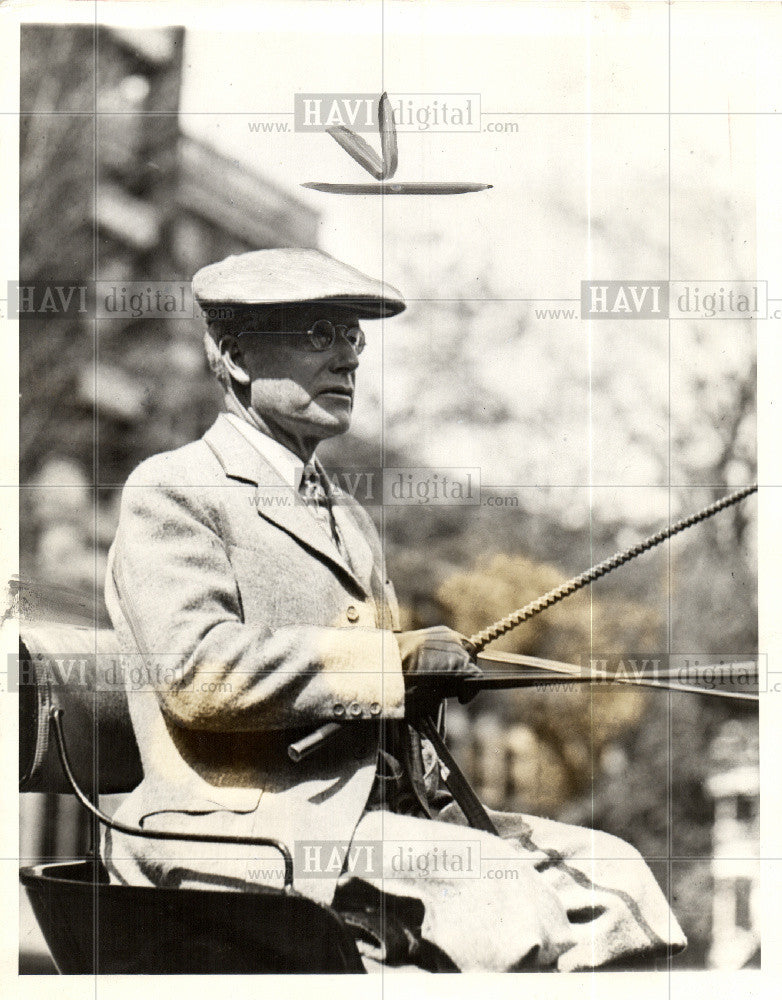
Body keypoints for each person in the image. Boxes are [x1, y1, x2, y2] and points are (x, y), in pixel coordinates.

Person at [102, 247, 686, 971]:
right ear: (236, 354)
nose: (348, 357)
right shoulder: (174, 489)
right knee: (496, 891)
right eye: (320, 333)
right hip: (229, 824)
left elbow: (376, 703)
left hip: (373, 816)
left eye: (353, 338)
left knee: (617, 875)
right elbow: (196, 672)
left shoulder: (348, 516)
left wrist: (423, 693)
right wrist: (388, 662)